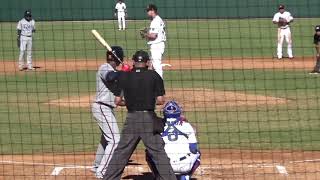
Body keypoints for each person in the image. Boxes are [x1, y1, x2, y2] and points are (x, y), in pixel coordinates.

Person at [103, 50, 176, 180]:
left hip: (131, 119)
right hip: (148, 118)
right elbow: (160, 100)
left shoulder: (125, 76)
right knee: (159, 153)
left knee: (121, 152)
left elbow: (117, 101)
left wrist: (130, 102)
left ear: (134, 62)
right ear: (147, 62)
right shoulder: (154, 76)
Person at [91, 46, 124, 178]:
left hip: (106, 108)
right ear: (119, 59)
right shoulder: (105, 67)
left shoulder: (116, 72)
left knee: (106, 139)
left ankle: (97, 166)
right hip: (101, 108)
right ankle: (102, 172)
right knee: (115, 140)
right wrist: (124, 72)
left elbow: (119, 99)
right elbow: (110, 77)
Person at [146, 101, 201, 180]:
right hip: (184, 166)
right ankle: (186, 176)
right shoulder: (186, 125)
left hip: (163, 165)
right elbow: (193, 148)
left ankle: (158, 176)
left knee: (148, 151)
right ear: (179, 112)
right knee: (198, 152)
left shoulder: (157, 125)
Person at [142, 4, 166, 78]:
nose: (147, 12)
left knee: (156, 66)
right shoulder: (158, 19)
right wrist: (148, 32)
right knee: (152, 65)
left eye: (148, 10)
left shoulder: (155, 21)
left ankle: (159, 83)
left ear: (153, 10)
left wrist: (144, 34)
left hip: (157, 45)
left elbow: (153, 36)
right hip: (159, 44)